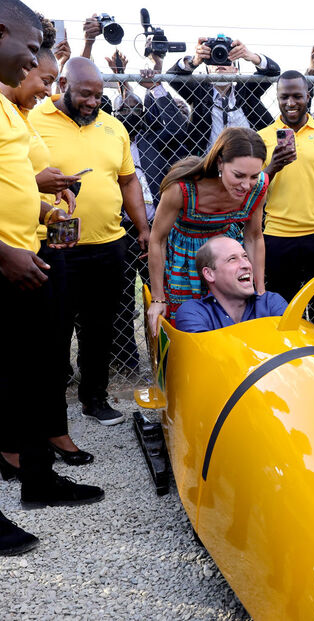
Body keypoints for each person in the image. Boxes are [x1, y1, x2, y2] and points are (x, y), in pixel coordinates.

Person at [0, 0, 103, 556]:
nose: (36, 65)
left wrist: (42, 214)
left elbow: (12, 181)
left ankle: (39, 481)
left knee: (36, 372)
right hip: (6, 261)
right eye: (31, 44)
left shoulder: (6, 107)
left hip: (28, 256)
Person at [29, 57, 150, 425]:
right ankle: (52, 413)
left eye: (98, 95)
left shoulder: (114, 128)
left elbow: (128, 180)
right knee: (55, 327)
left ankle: (94, 398)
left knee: (101, 326)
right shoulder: (34, 121)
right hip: (55, 243)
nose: (92, 102)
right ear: (63, 83)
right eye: (84, 94)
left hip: (109, 244)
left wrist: (142, 227)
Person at [107, 50, 191, 374]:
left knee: (163, 292)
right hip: (123, 227)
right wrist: (119, 79)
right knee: (122, 298)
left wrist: (154, 84)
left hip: (161, 226)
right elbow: (109, 107)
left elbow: (173, 124)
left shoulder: (159, 136)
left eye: (133, 107)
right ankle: (127, 362)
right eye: (121, 108)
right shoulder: (110, 137)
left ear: (144, 111)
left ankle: (167, 357)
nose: (127, 111)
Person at [148, 127, 268, 334]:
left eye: (254, 176)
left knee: (236, 322)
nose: (246, 185)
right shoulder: (182, 188)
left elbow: (254, 237)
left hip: (228, 255)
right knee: (189, 325)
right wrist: (158, 298)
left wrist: (260, 289)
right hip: (185, 260)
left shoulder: (258, 188)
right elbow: (157, 240)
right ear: (220, 162)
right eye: (238, 175)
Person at [259, 70, 314, 340]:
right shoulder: (262, 137)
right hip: (277, 237)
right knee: (282, 312)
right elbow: (252, 191)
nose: (291, 102)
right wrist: (272, 166)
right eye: (284, 96)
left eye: (297, 96)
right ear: (276, 98)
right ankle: (286, 368)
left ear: (307, 96)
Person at [166, 36, 280, 154]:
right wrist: (194, 61)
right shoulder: (199, 93)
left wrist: (250, 56)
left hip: (249, 162)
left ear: (235, 69)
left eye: (226, 59)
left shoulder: (247, 91)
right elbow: (173, 78)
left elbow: (273, 72)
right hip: (209, 164)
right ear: (208, 69)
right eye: (214, 59)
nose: (220, 63)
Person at [176, 236, 287, 332]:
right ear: (209, 274)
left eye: (245, 257)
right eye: (232, 259)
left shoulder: (271, 303)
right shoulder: (194, 313)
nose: (246, 265)